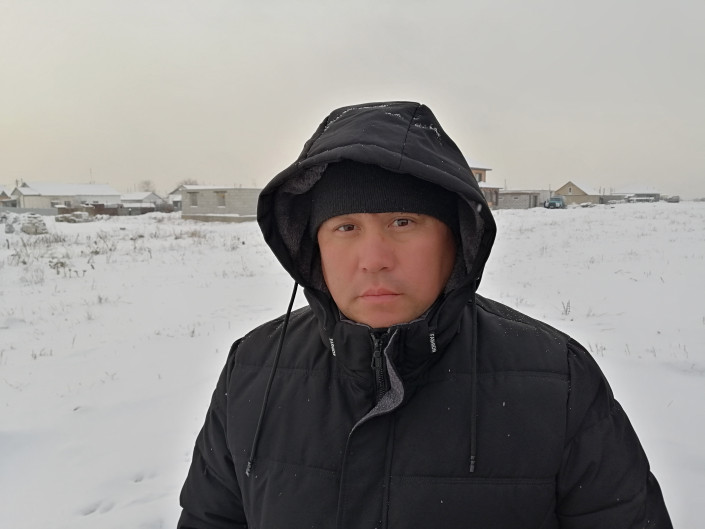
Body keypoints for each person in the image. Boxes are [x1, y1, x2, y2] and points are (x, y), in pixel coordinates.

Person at [177, 101, 672, 528]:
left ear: (456, 241)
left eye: (402, 221)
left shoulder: (557, 380)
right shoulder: (253, 369)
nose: (374, 259)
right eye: (346, 227)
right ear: (314, 248)